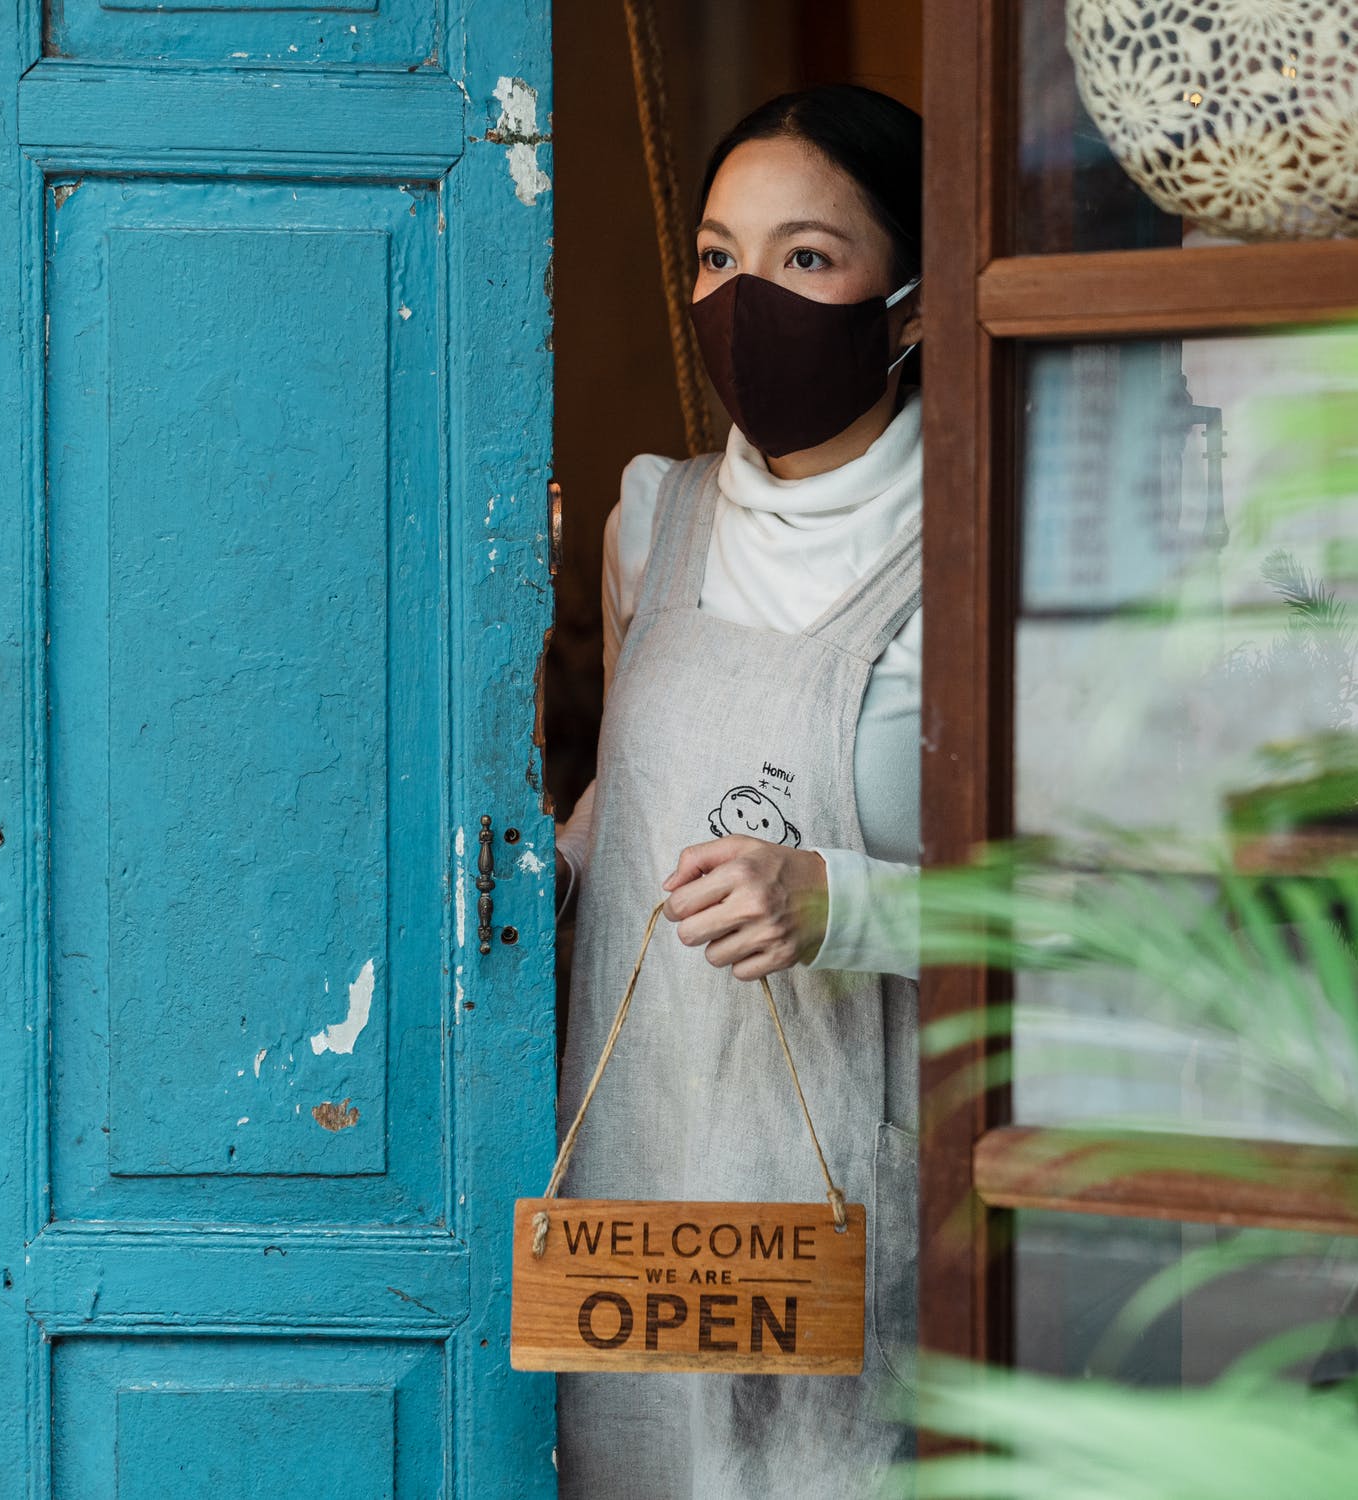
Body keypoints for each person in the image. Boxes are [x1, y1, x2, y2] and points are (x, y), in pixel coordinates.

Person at [550, 83, 925, 1498]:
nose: (742, 297)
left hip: (850, 1185)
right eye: (716, 256)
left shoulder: (973, 552)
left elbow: (1091, 898)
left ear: (909, 302)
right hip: (643, 1184)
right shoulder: (655, 514)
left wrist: (840, 899)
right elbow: (618, 801)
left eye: (805, 257)